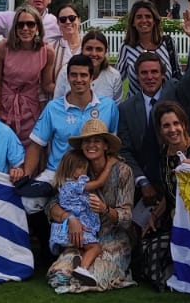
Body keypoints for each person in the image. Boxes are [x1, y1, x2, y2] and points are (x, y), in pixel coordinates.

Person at [115, 8, 190, 211]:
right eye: (144, 73)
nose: (150, 77)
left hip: (180, 179)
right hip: (143, 182)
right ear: (136, 76)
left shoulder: (177, 91)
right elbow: (125, 150)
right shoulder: (127, 108)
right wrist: (142, 181)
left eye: (155, 72)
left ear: (163, 74)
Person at [45, 119, 136, 292]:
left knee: (95, 277)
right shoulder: (76, 168)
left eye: (97, 141)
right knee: (59, 275)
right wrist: (70, 218)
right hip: (82, 239)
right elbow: (51, 204)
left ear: (106, 146)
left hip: (113, 238)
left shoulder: (123, 171)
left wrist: (105, 210)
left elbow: (127, 219)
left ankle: (93, 270)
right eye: (87, 141)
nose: (91, 145)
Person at [135, 100, 190, 291]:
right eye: (166, 126)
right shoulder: (164, 152)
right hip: (173, 219)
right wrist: (154, 215)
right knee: (144, 248)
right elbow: (170, 193)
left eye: (176, 123)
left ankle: (174, 279)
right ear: (160, 130)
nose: (172, 129)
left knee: (156, 250)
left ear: (184, 124)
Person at [27, 54, 123, 181]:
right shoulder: (53, 108)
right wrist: (26, 176)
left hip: (95, 174)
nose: (78, 79)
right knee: (28, 199)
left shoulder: (108, 106)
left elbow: (112, 145)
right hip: (57, 172)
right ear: (67, 77)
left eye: (83, 75)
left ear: (91, 78)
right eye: (74, 75)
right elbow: (36, 146)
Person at [0, 4, 53, 145]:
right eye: (20, 25)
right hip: (4, 106)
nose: (25, 29)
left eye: (30, 24)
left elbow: (47, 84)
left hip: (30, 109)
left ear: (37, 27)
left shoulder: (47, 52)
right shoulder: (2, 48)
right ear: (15, 27)